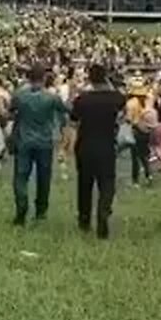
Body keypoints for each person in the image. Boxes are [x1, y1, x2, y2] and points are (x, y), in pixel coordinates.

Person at [69, 64, 126, 238]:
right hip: (107, 146)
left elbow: (73, 119)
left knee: (85, 184)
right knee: (107, 183)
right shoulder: (116, 98)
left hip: (85, 146)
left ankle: (84, 219)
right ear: (106, 77)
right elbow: (122, 110)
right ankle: (103, 212)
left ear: (90, 78)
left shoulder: (82, 99)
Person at [9, 64, 69, 225]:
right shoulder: (51, 97)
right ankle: (41, 210)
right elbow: (66, 110)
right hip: (44, 141)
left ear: (28, 78)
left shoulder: (19, 95)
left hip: (24, 140)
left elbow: (11, 110)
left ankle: (21, 206)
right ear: (44, 78)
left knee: (20, 176)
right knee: (44, 177)